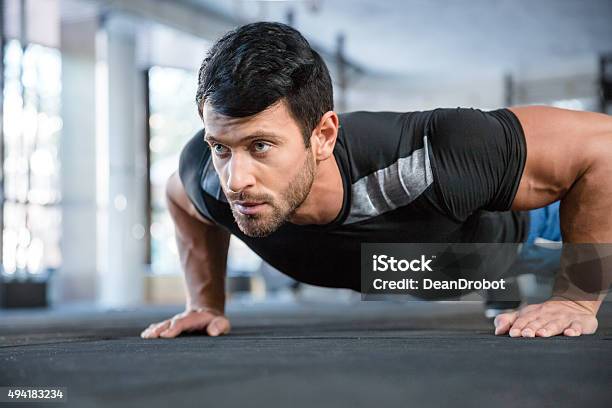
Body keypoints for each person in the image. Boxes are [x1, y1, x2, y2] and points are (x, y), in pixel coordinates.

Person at [141, 22, 611, 340]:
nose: (235, 180)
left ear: (322, 135)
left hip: (536, 232)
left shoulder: (435, 151)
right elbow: (178, 197)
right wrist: (206, 302)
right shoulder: (205, 175)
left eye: (261, 146)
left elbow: (604, 146)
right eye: (223, 147)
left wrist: (576, 298)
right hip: (435, 263)